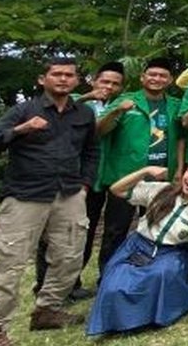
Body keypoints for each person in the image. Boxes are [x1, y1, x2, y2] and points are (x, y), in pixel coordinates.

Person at [0, 58, 99, 346]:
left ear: (77, 81)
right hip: (25, 194)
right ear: (42, 79)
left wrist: (85, 184)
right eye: (56, 74)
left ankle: (47, 310)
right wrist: (21, 130)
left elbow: (92, 151)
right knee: (10, 262)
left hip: (69, 192)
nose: (63, 79)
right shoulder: (24, 111)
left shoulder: (83, 113)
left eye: (69, 75)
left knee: (70, 255)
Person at [86, 159, 188, 335]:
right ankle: (122, 319)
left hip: (173, 254)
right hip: (137, 246)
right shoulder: (162, 190)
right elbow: (116, 190)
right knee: (113, 288)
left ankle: (141, 319)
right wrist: (145, 171)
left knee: (160, 276)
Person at [33, 61, 123, 299]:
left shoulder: (123, 105)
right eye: (105, 81)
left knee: (110, 232)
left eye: (115, 84)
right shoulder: (71, 102)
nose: (109, 87)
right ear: (93, 80)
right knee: (68, 232)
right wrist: (86, 97)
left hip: (109, 175)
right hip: (77, 177)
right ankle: (50, 284)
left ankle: (105, 278)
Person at [89, 57, 177, 284]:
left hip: (161, 177)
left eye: (162, 76)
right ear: (142, 77)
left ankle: (147, 272)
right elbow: (99, 130)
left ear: (170, 80)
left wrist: (179, 170)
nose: (157, 79)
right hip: (125, 177)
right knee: (115, 229)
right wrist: (116, 111)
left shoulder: (175, 104)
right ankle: (107, 275)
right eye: (152, 74)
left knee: (154, 226)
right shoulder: (126, 101)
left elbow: (182, 138)